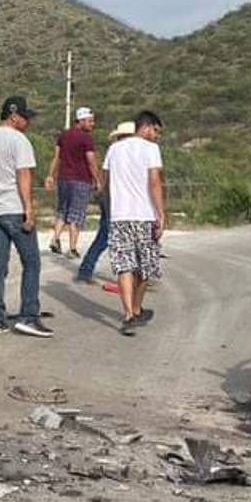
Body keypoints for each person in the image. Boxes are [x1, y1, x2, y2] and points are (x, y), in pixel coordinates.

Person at [0, 96, 54, 338]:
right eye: (25, 117)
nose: (27, 122)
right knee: (32, 262)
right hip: (15, 209)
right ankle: (28, 316)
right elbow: (23, 174)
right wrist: (29, 209)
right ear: (14, 116)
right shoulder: (19, 140)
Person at [102, 111, 165, 336]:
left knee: (125, 265)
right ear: (146, 127)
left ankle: (129, 313)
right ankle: (137, 308)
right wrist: (160, 214)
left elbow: (105, 182)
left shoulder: (113, 149)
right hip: (144, 215)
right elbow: (154, 182)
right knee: (145, 265)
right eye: (155, 130)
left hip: (120, 216)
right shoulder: (151, 149)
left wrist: (110, 208)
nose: (156, 136)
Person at [76, 121, 135, 284]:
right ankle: (134, 276)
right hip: (119, 200)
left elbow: (104, 173)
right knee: (120, 237)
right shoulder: (130, 152)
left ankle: (86, 270)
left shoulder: (113, 150)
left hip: (108, 198)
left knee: (104, 235)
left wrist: (100, 192)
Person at [45, 106, 100, 258]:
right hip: (81, 180)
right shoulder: (86, 138)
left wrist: (50, 175)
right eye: (89, 121)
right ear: (80, 120)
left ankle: (55, 238)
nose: (92, 124)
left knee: (63, 210)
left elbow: (57, 157)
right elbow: (91, 161)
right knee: (77, 213)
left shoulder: (63, 136)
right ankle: (72, 248)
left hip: (63, 179)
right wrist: (97, 180)